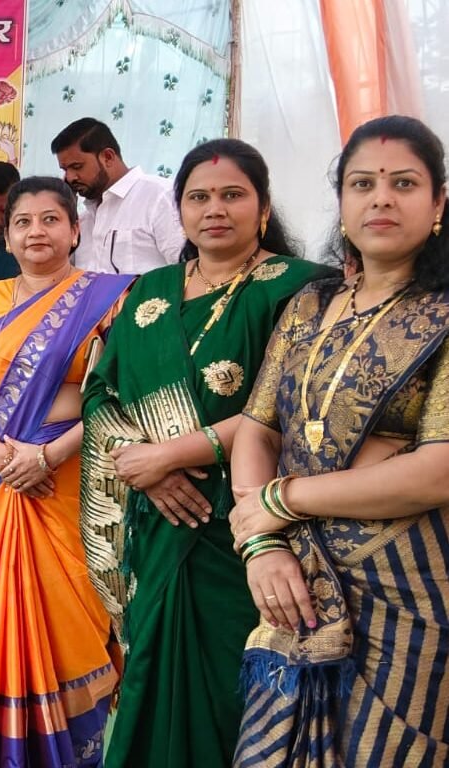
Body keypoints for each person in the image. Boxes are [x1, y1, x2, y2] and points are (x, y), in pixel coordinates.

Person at [81, 139, 336, 768]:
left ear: (264, 207)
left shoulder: (301, 289)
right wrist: (144, 465)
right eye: (198, 197)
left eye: (232, 195)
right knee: (150, 672)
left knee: (232, 686)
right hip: (155, 519)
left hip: (246, 523)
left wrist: (173, 453)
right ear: (180, 211)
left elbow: (295, 409)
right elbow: (101, 391)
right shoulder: (150, 290)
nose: (214, 209)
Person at [228, 115, 449, 766]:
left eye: (403, 183)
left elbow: (438, 470)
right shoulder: (308, 304)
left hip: (409, 593)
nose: (381, 198)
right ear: (342, 202)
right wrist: (262, 544)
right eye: (362, 184)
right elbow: (256, 428)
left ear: (438, 203)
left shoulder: (443, 314)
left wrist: (281, 500)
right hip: (292, 581)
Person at [0, 176, 130, 766]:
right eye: (22, 222)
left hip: (67, 481)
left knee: (69, 614)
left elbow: (118, 397)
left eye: (51, 220)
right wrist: (2, 456)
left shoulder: (110, 300)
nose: (36, 232)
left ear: (75, 230)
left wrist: (47, 455)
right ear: (8, 235)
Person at [53, 117, 186, 275]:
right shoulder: (82, 220)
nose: (70, 177)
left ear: (108, 157)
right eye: (65, 170)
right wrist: (64, 208)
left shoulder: (160, 196)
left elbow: (187, 270)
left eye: (77, 167)